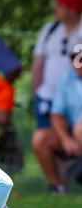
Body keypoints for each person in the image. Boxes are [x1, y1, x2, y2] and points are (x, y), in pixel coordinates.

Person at [32, 0, 82, 188]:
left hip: (76, 99)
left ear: (73, 8)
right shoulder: (50, 30)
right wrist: (36, 91)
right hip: (49, 98)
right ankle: (59, 187)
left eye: (60, 5)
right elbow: (38, 62)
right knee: (47, 141)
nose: (56, 8)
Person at [37, 45, 82, 192]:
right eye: (74, 57)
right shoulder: (66, 78)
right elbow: (56, 114)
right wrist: (66, 139)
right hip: (74, 134)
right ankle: (57, 187)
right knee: (40, 138)